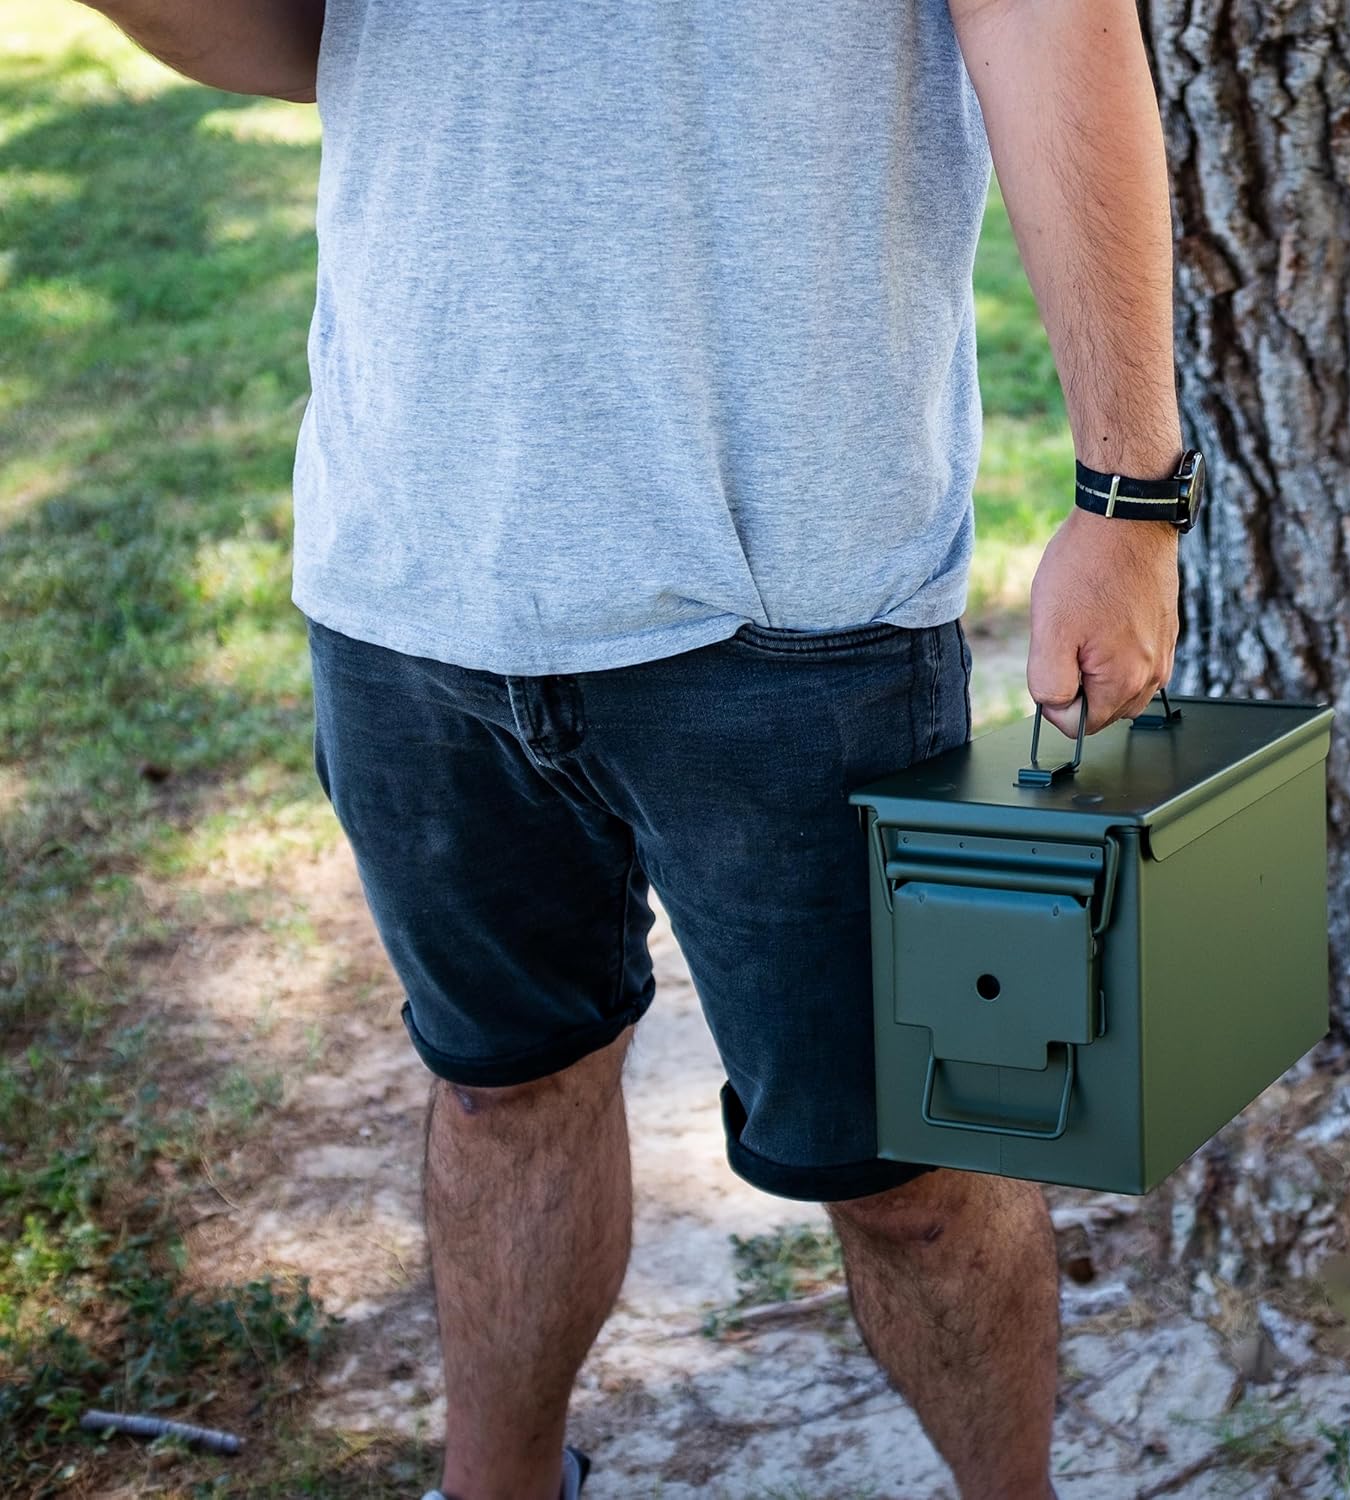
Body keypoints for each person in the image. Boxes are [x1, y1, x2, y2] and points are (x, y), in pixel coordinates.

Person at [84, 2, 1186, 1495]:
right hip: (412, 563)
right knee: (500, 1089)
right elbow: (297, 38)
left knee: (911, 1174)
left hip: (798, 602)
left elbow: (1046, 18)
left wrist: (1130, 493)